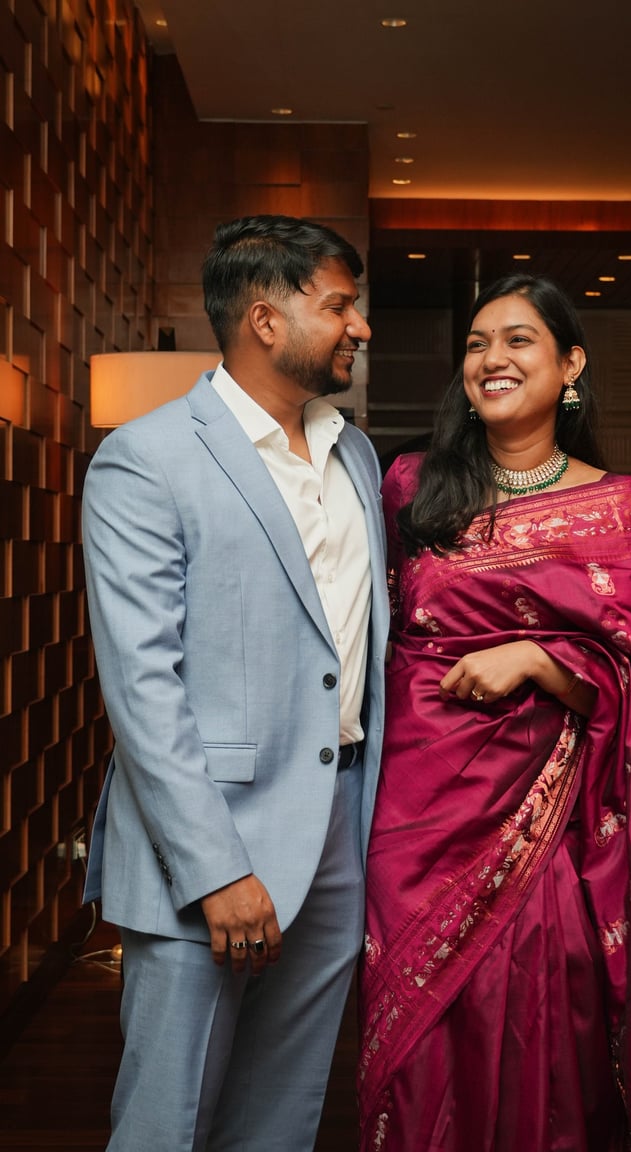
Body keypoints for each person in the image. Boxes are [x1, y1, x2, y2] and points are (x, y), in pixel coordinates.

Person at [358, 273, 631, 1152]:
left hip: (555, 823)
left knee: (548, 1025)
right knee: (419, 1047)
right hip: (416, 815)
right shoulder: (410, 486)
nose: (491, 358)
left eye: (517, 339)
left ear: (571, 365)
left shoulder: (620, 509)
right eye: (476, 343)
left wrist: (537, 659)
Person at [81, 214, 389, 1152]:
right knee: (168, 1123)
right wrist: (217, 869)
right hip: (210, 844)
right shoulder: (147, 458)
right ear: (265, 318)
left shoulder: (354, 452)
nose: (359, 326)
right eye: (339, 306)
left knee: (281, 1118)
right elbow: (143, 688)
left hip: (340, 830)